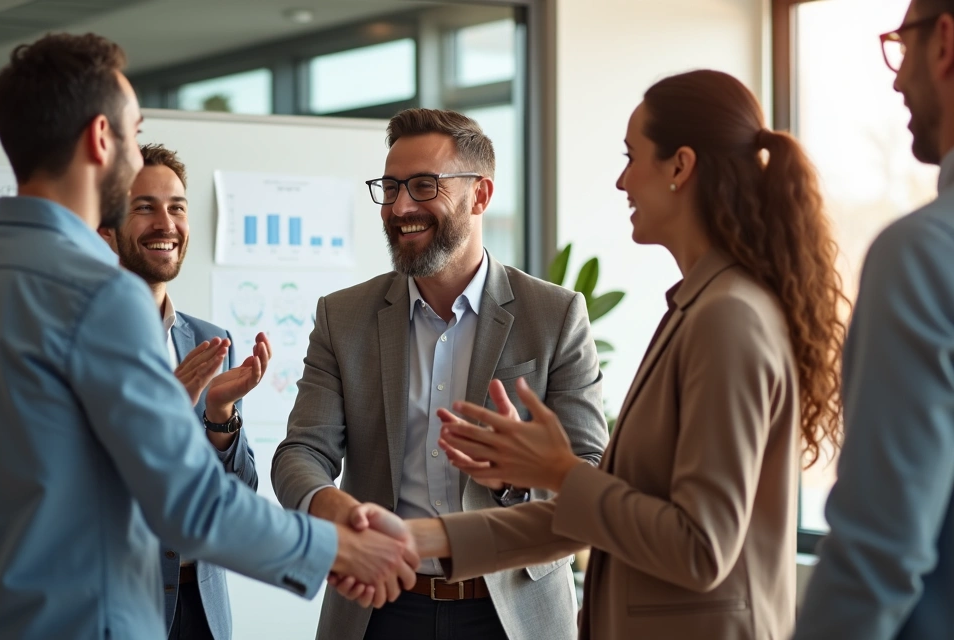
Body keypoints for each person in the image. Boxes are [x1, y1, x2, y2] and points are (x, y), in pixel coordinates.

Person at [0, 33, 417, 640]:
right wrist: (338, 549)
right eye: (133, 130)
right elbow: (188, 502)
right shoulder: (100, 295)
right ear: (100, 138)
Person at [382, 70, 847, 639]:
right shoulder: (699, 306)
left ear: (680, 166)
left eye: (632, 157)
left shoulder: (728, 317)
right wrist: (423, 538)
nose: (622, 180)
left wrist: (557, 471)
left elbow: (701, 547)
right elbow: (609, 512)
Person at [272, 108, 610, 640]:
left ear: (480, 195)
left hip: (512, 611)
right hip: (379, 607)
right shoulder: (343, 317)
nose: (400, 207)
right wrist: (332, 506)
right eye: (390, 187)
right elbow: (301, 451)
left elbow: (592, 473)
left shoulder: (555, 315)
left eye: (424, 186)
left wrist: (514, 479)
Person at [794, 2, 954, 637]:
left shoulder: (925, 255)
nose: (897, 79)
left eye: (901, 45)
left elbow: (878, 555)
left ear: (944, 43)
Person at [98, 143, 269, 640]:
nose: (166, 224)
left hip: (202, 606)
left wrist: (220, 416)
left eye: (177, 207)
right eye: (144, 208)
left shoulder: (209, 341)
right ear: (106, 229)